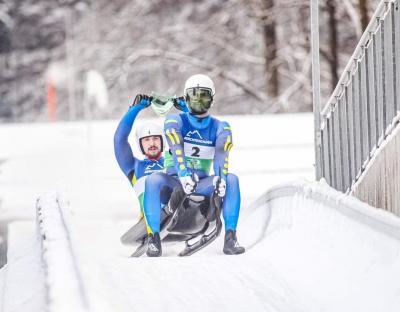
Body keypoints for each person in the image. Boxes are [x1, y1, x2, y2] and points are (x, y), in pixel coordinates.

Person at [143, 74, 245, 257]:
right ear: (186, 98)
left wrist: (220, 180)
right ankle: (153, 238)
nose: (198, 100)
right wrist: (183, 174)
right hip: (175, 182)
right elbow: (176, 145)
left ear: (211, 99)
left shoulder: (222, 126)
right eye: (194, 95)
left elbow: (222, 153)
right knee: (153, 180)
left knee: (232, 179)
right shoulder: (175, 120)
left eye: (203, 95)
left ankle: (231, 238)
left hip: (202, 183)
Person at [113, 95, 165, 220]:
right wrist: (135, 109)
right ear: (140, 145)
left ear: (163, 142)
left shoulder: (173, 161)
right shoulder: (134, 167)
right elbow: (119, 140)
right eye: (146, 140)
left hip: (179, 211)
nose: (152, 144)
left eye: (156, 139)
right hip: (150, 218)